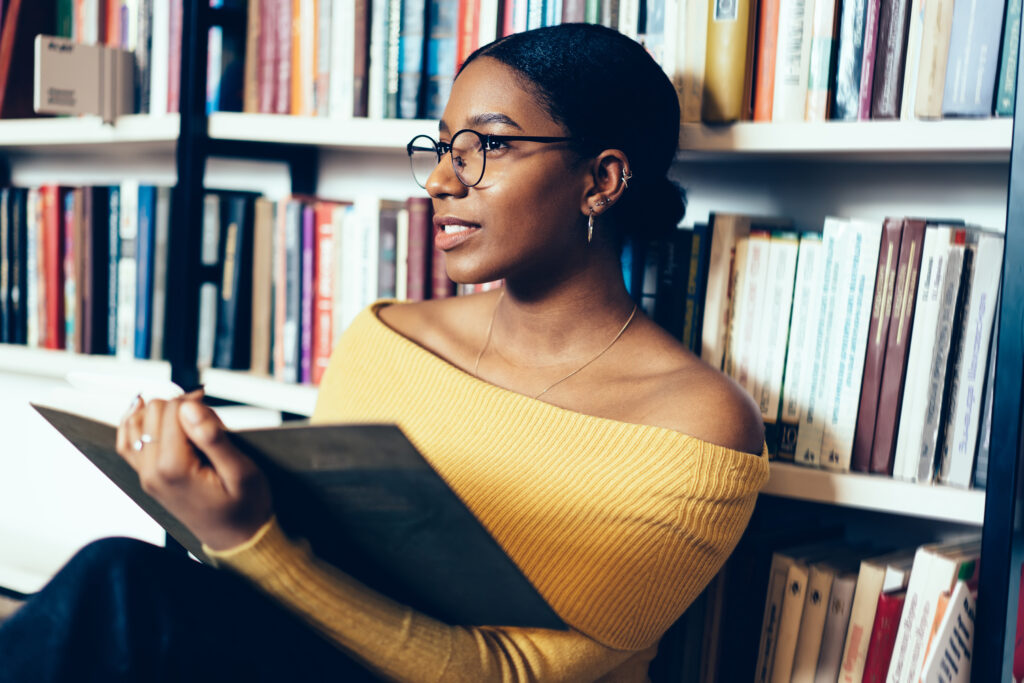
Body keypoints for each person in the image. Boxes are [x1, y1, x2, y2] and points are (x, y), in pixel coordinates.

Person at [0, 23, 768, 682]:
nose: (439, 179)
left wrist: (246, 538)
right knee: (122, 596)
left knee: (122, 588)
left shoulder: (700, 423)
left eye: (488, 147)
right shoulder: (392, 335)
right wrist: (212, 501)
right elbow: (311, 573)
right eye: (441, 148)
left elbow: (515, 672)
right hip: (319, 657)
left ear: (600, 180)